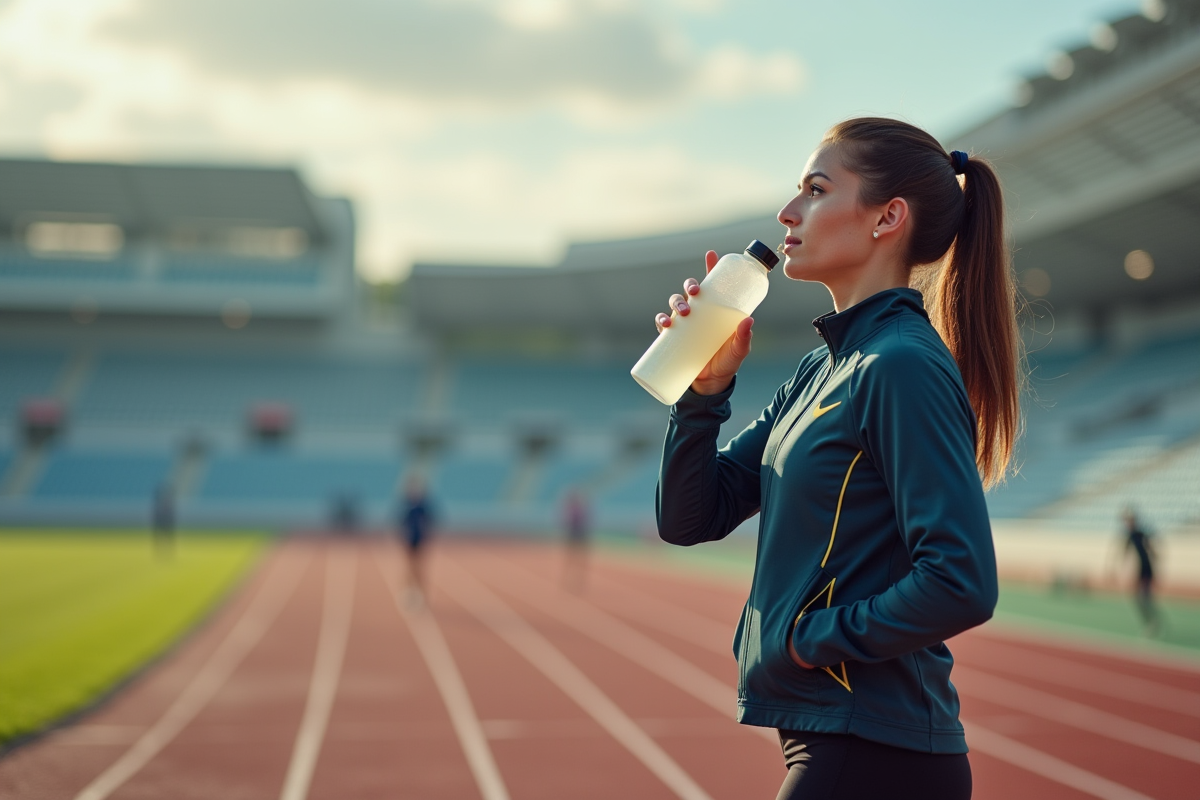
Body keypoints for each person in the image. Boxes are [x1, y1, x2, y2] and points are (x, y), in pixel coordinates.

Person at [654, 118, 1021, 799]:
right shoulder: (821, 372)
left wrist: (811, 639)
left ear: (888, 217)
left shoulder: (900, 365)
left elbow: (962, 579)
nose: (787, 212)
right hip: (838, 742)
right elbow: (690, 517)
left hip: (880, 750)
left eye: (816, 190)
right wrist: (704, 394)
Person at [398, 474, 436, 607]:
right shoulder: (406, 505)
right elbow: (400, 523)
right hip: (409, 541)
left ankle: (421, 595)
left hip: (420, 540)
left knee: (419, 569)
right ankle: (409, 593)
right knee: (409, 568)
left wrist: (426, 536)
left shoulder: (423, 506)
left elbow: (431, 522)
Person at [1121, 506, 1160, 635]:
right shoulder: (1130, 535)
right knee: (1138, 600)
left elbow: (1151, 550)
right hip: (1140, 570)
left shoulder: (1140, 533)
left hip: (1147, 569)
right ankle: (1151, 622)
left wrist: (1155, 556)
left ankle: (1154, 622)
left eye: (1130, 520)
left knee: (1144, 599)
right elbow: (1125, 551)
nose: (1128, 523)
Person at [561, 489, 591, 592]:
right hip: (576, 536)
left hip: (577, 536)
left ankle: (574, 581)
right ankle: (571, 580)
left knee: (576, 560)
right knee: (573, 560)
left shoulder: (573, 510)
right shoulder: (574, 510)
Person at [151, 483, 176, 561]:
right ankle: (161, 551)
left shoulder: (166, 505)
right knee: (161, 538)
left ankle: (166, 552)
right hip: (163, 523)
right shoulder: (161, 505)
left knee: (167, 538)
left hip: (166, 523)